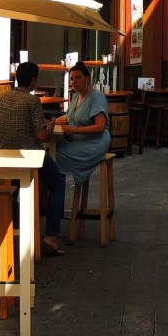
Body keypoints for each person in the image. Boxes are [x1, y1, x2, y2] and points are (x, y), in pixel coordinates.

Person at [0, 61, 66, 256]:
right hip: (30, 155)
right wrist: (49, 126)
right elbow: (41, 136)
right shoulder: (32, 101)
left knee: (13, 188)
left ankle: (8, 227)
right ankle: (51, 236)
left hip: (7, 155)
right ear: (33, 80)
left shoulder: (3, 97)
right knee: (57, 183)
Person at [55, 61, 111, 234]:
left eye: (78, 78)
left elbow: (100, 126)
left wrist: (74, 129)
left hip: (95, 142)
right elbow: (68, 117)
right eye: (72, 79)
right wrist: (50, 123)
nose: (74, 82)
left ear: (87, 78)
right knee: (53, 152)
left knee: (53, 157)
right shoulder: (76, 97)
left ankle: (52, 201)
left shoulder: (96, 97)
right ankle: (53, 203)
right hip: (77, 140)